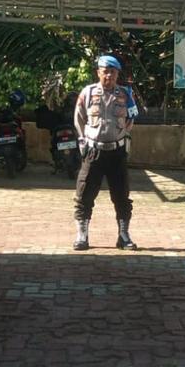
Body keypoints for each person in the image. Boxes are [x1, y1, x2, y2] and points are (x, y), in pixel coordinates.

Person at [73, 55, 138, 250]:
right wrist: (82, 139)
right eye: (105, 71)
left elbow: (131, 118)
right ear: (98, 72)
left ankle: (124, 235)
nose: (109, 75)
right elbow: (79, 117)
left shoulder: (125, 94)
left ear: (117, 74)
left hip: (116, 153)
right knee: (84, 194)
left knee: (121, 195)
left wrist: (124, 134)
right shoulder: (88, 92)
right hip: (94, 151)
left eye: (113, 72)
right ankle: (82, 235)